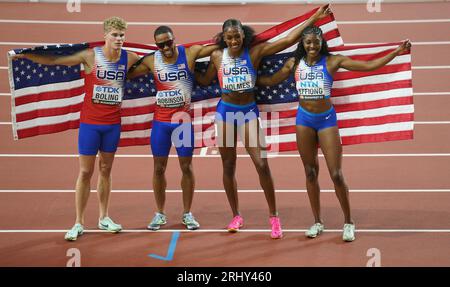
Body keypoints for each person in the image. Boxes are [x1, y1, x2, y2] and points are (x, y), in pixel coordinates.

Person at [257, 25, 411, 242]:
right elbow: (272, 81)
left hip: (326, 120)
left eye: (315, 42)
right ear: (302, 43)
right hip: (303, 120)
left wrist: (395, 52)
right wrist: (248, 80)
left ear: (322, 42)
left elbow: (367, 66)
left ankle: (348, 222)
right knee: (310, 172)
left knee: (336, 174)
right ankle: (317, 221)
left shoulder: (332, 61)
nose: (312, 46)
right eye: (308, 42)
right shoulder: (294, 63)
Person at [196, 5, 332, 239]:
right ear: (223, 38)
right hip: (225, 113)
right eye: (229, 38)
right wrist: (185, 69)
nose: (233, 41)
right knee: (228, 166)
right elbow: (206, 77)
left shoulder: (255, 53)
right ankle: (236, 215)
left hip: (248, 112)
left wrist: (315, 17)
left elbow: (289, 38)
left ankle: (274, 216)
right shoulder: (218, 56)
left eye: (237, 36)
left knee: (261, 164)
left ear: (243, 35)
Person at [13, 17, 140, 241]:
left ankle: (104, 218)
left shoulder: (130, 58)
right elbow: (55, 60)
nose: (119, 39)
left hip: (112, 125)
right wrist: (27, 55)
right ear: (105, 35)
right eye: (115, 35)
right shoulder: (90, 56)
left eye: (122, 35)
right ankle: (78, 222)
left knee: (106, 170)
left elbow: (155, 64)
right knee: (85, 172)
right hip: (91, 124)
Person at [127, 26, 219, 231]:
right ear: (156, 46)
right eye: (161, 45)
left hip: (182, 121)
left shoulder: (190, 53)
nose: (166, 47)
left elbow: (215, 47)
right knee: (159, 168)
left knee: (186, 167)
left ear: (174, 39)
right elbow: (127, 74)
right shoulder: (152, 60)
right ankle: (160, 213)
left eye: (169, 42)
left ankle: (187, 213)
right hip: (160, 123)